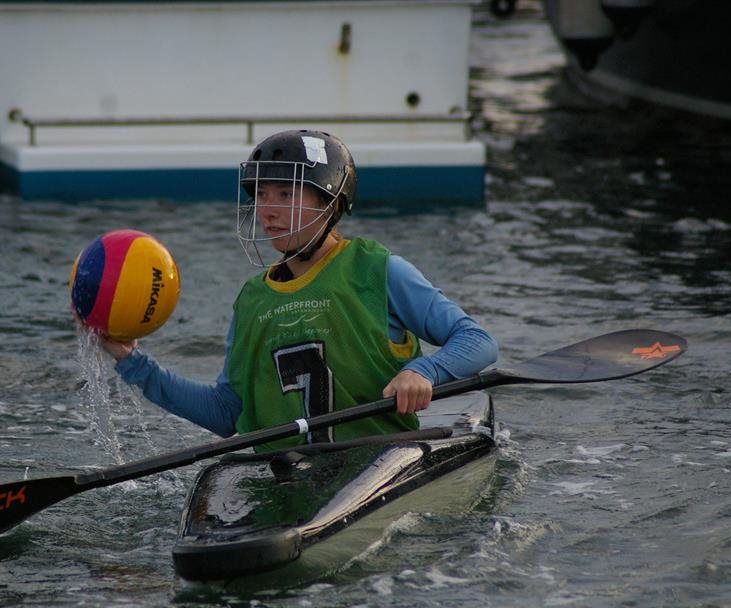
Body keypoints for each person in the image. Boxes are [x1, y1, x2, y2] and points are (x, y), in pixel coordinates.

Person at [101, 129, 497, 451]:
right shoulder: (253, 300)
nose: (267, 210)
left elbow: (477, 341)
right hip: (287, 475)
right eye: (260, 195)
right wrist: (133, 362)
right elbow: (225, 413)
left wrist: (422, 370)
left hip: (379, 461)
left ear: (330, 202)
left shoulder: (377, 269)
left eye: (286, 195)